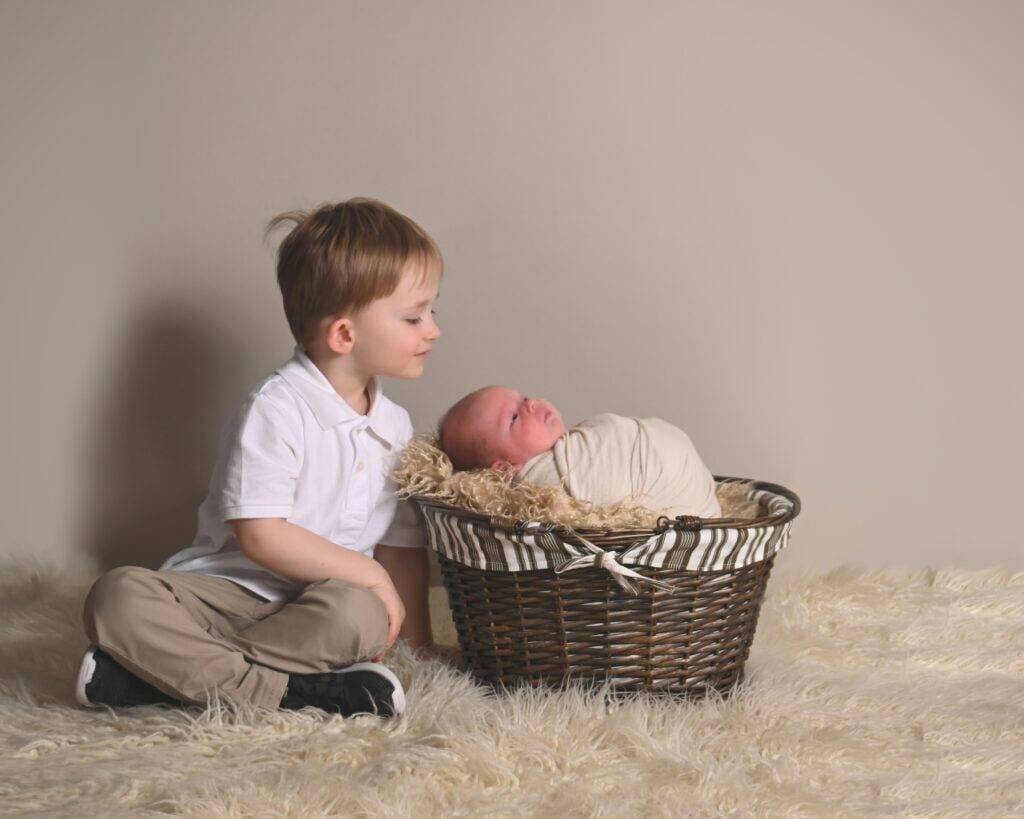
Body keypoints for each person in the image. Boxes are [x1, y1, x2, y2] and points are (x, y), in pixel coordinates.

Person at [77, 198, 443, 718]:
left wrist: (418, 644)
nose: (432, 329)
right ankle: (289, 693)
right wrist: (371, 575)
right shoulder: (275, 408)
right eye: (414, 317)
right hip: (227, 595)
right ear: (344, 334)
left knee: (360, 615)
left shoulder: (394, 426)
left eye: (432, 311)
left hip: (318, 611)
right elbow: (261, 535)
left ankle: (163, 682)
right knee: (115, 596)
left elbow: (399, 546)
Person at [437, 386, 721, 519]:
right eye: (513, 418)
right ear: (502, 469)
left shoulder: (582, 447)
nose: (532, 404)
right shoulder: (542, 480)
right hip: (690, 518)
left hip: (680, 484)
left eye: (523, 398)